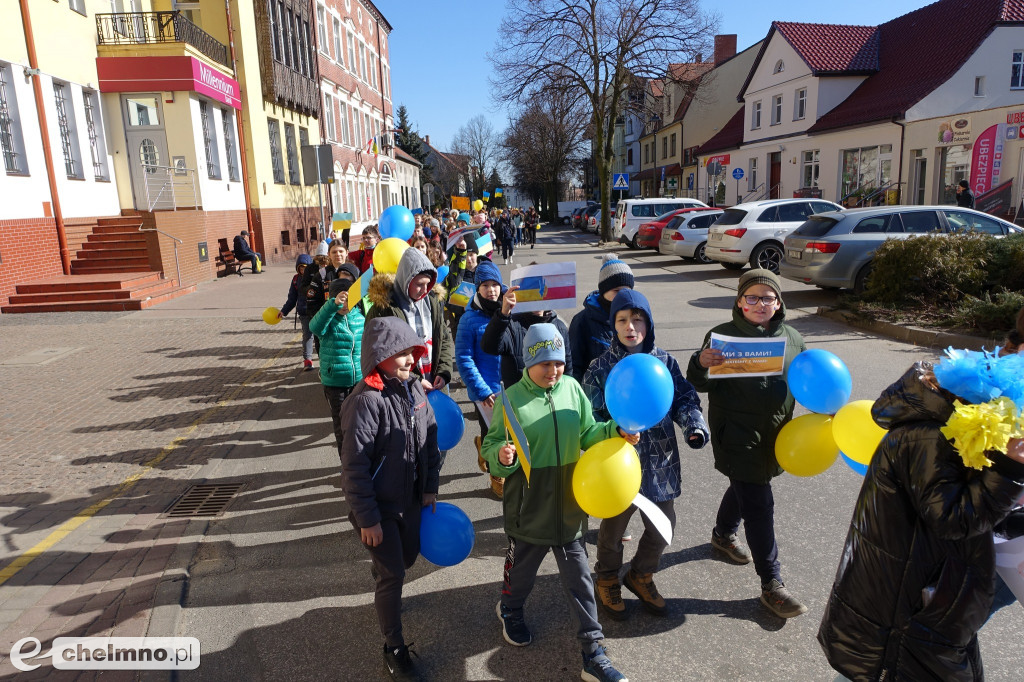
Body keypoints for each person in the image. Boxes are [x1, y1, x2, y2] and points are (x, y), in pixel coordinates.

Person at [817, 356, 1024, 681]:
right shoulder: (931, 434)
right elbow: (951, 517)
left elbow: (972, 503)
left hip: (930, 599)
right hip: (906, 610)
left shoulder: (976, 415)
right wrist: (1011, 470)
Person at [482, 323, 638, 682]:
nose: (553, 372)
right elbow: (491, 447)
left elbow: (588, 432)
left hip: (569, 508)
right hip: (529, 509)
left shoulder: (571, 388)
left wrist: (614, 431)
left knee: (581, 581)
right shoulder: (510, 400)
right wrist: (501, 456)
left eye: (560, 363)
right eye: (545, 364)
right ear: (528, 361)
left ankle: (594, 654)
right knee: (520, 576)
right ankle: (510, 609)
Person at [685, 269, 808, 619]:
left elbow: (806, 378)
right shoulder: (722, 336)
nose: (759, 304)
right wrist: (701, 362)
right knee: (758, 502)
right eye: (751, 297)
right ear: (739, 301)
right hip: (736, 434)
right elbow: (699, 382)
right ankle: (772, 583)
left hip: (776, 435)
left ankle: (723, 534)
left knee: (748, 485)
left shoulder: (794, 338)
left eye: (767, 298)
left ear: (778, 302)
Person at [584, 289, 709, 620]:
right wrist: (612, 428)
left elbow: (684, 398)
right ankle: (608, 577)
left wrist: (693, 426)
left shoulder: (665, 362)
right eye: (622, 320)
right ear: (614, 325)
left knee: (663, 526)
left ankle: (640, 575)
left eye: (637, 319)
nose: (630, 326)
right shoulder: (601, 366)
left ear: (648, 324)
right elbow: (590, 413)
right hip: (619, 464)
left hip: (660, 461)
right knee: (612, 533)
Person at [339, 316, 441, 682]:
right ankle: (393, 647)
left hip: (410, 500)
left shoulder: (415, 390)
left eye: (413, 351)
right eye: (401, 353)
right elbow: (354, 467)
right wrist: (367, 519)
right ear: (379, 353)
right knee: (394, 573)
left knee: (407, 558)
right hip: (379, 509)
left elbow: (430, 442)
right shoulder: (364, 401)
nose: (411, 359)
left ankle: (383, 571)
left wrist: (430, 487)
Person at [366, 247, 454, 396]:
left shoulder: (432, 301)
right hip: (401, 387)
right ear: (405, 280)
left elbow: (443, 337)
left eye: (428, 284)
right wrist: (415, 379)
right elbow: (378, 353)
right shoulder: (384, 308)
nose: (424, 290)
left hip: (434, 382)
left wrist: (444, 371)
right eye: (419, 284)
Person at [454, 259, 505, 498]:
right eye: (485, 285)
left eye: (495, 284)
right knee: (497, 436)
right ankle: (498, 477)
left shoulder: (508, 311)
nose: (491, 290)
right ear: (478, 288)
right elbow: (464, 358)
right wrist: (481, 390)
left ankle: (483, 447)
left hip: (510, 386)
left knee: (507, 434)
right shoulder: (468, 319)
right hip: (485, 391)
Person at [310, 264, 365, 457]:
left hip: (359, 380)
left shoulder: (359, 317)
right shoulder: (327, 319)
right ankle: (347, 464)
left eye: (348, 299)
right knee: (342, 426)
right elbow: (314, 327)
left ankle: (361, 459)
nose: (345, 304)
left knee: (360, 423)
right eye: (340, 300)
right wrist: (332, 306)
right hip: (335, 383)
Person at [568, 255, 635, 382]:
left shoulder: (636, 319)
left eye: (627, 291)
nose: (622, 296)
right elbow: (574, 366)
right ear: (603, 290)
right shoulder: (582, 320)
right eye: (616, 291)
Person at [279, 254, 315, 370]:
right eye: (301, 268)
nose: (303, 270)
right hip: (304, 312)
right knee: (307, 336)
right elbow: (292, 299)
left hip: (317, 311)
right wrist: (284, 311)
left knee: (321, 336)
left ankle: (323, 358)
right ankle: (308, 360)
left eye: (305, 267)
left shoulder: (316, 277)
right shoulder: (295, 280)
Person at [301, 240, 347, 322]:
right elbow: (312, 301)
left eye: (341, 251)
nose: (338, 254)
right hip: (327, 321)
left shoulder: (355, 272)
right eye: (334, 252)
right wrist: (319, 321)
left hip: (350, 321)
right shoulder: (322, 274)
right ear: (329, 254)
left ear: (346, 252)